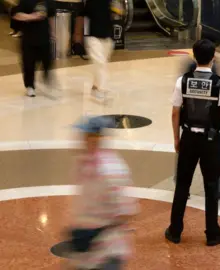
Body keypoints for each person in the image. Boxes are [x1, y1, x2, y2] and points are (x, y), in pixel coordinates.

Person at [166, 39, 220, 246]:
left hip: (188, 138)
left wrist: (177, 138)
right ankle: (212, 233)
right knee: (211, 187)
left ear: (194, 56)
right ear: (213, 57)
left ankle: (175, 231)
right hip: (211, 139)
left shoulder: (182, 81)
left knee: (182, 186)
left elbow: (175, 112)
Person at [69, 116, 138, 270]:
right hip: (85, 248)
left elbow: (127, 211)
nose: (81, 140)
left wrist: (97, 232)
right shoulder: (83, 162)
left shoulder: (112, 169)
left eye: (85, 136)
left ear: (95, 138)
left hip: (108, 252)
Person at [173, 57, 220, 200]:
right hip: (210, 130)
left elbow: (175, 110)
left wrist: (176, 138)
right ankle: (218, 190)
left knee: (185, 162)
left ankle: (182, 187)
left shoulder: (185, 77)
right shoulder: (219, 78)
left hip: (189, 128)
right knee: (212, 169)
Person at [75, 0, 122, 101]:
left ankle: (95, 86)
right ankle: (101, 90)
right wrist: (78, 35)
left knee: (102, 63)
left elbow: (116, 13)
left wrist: (117, 11)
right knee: (100, 63)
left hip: (107, 37)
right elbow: (80, 16)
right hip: (93, 37)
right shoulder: (89, 2)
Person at [12, 0, 55, 97]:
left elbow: (51, 16)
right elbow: (16, 15)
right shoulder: (25, 1)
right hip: (29, 37)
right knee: (28, 63)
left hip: (44, 36)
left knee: (47, 61)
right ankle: (30, 86)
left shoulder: (49, 2)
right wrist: (32, 17)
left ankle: (47, 79)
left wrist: (52, 32)